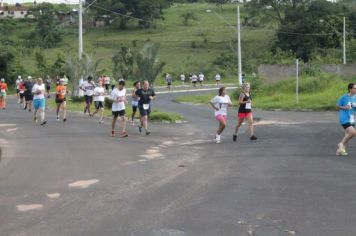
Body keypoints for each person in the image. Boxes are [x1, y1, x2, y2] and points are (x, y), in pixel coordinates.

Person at [336, 83, 356, 156]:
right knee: (353, 133)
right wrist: (344, 107)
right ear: (350, 89)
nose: (355, 90)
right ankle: (340, 144)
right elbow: (337, 106)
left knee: (347, 134)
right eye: (354, 88)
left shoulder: (355, 97)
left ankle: (340, 151)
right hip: (344, 118)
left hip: (351, 118)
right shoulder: (344, 97)